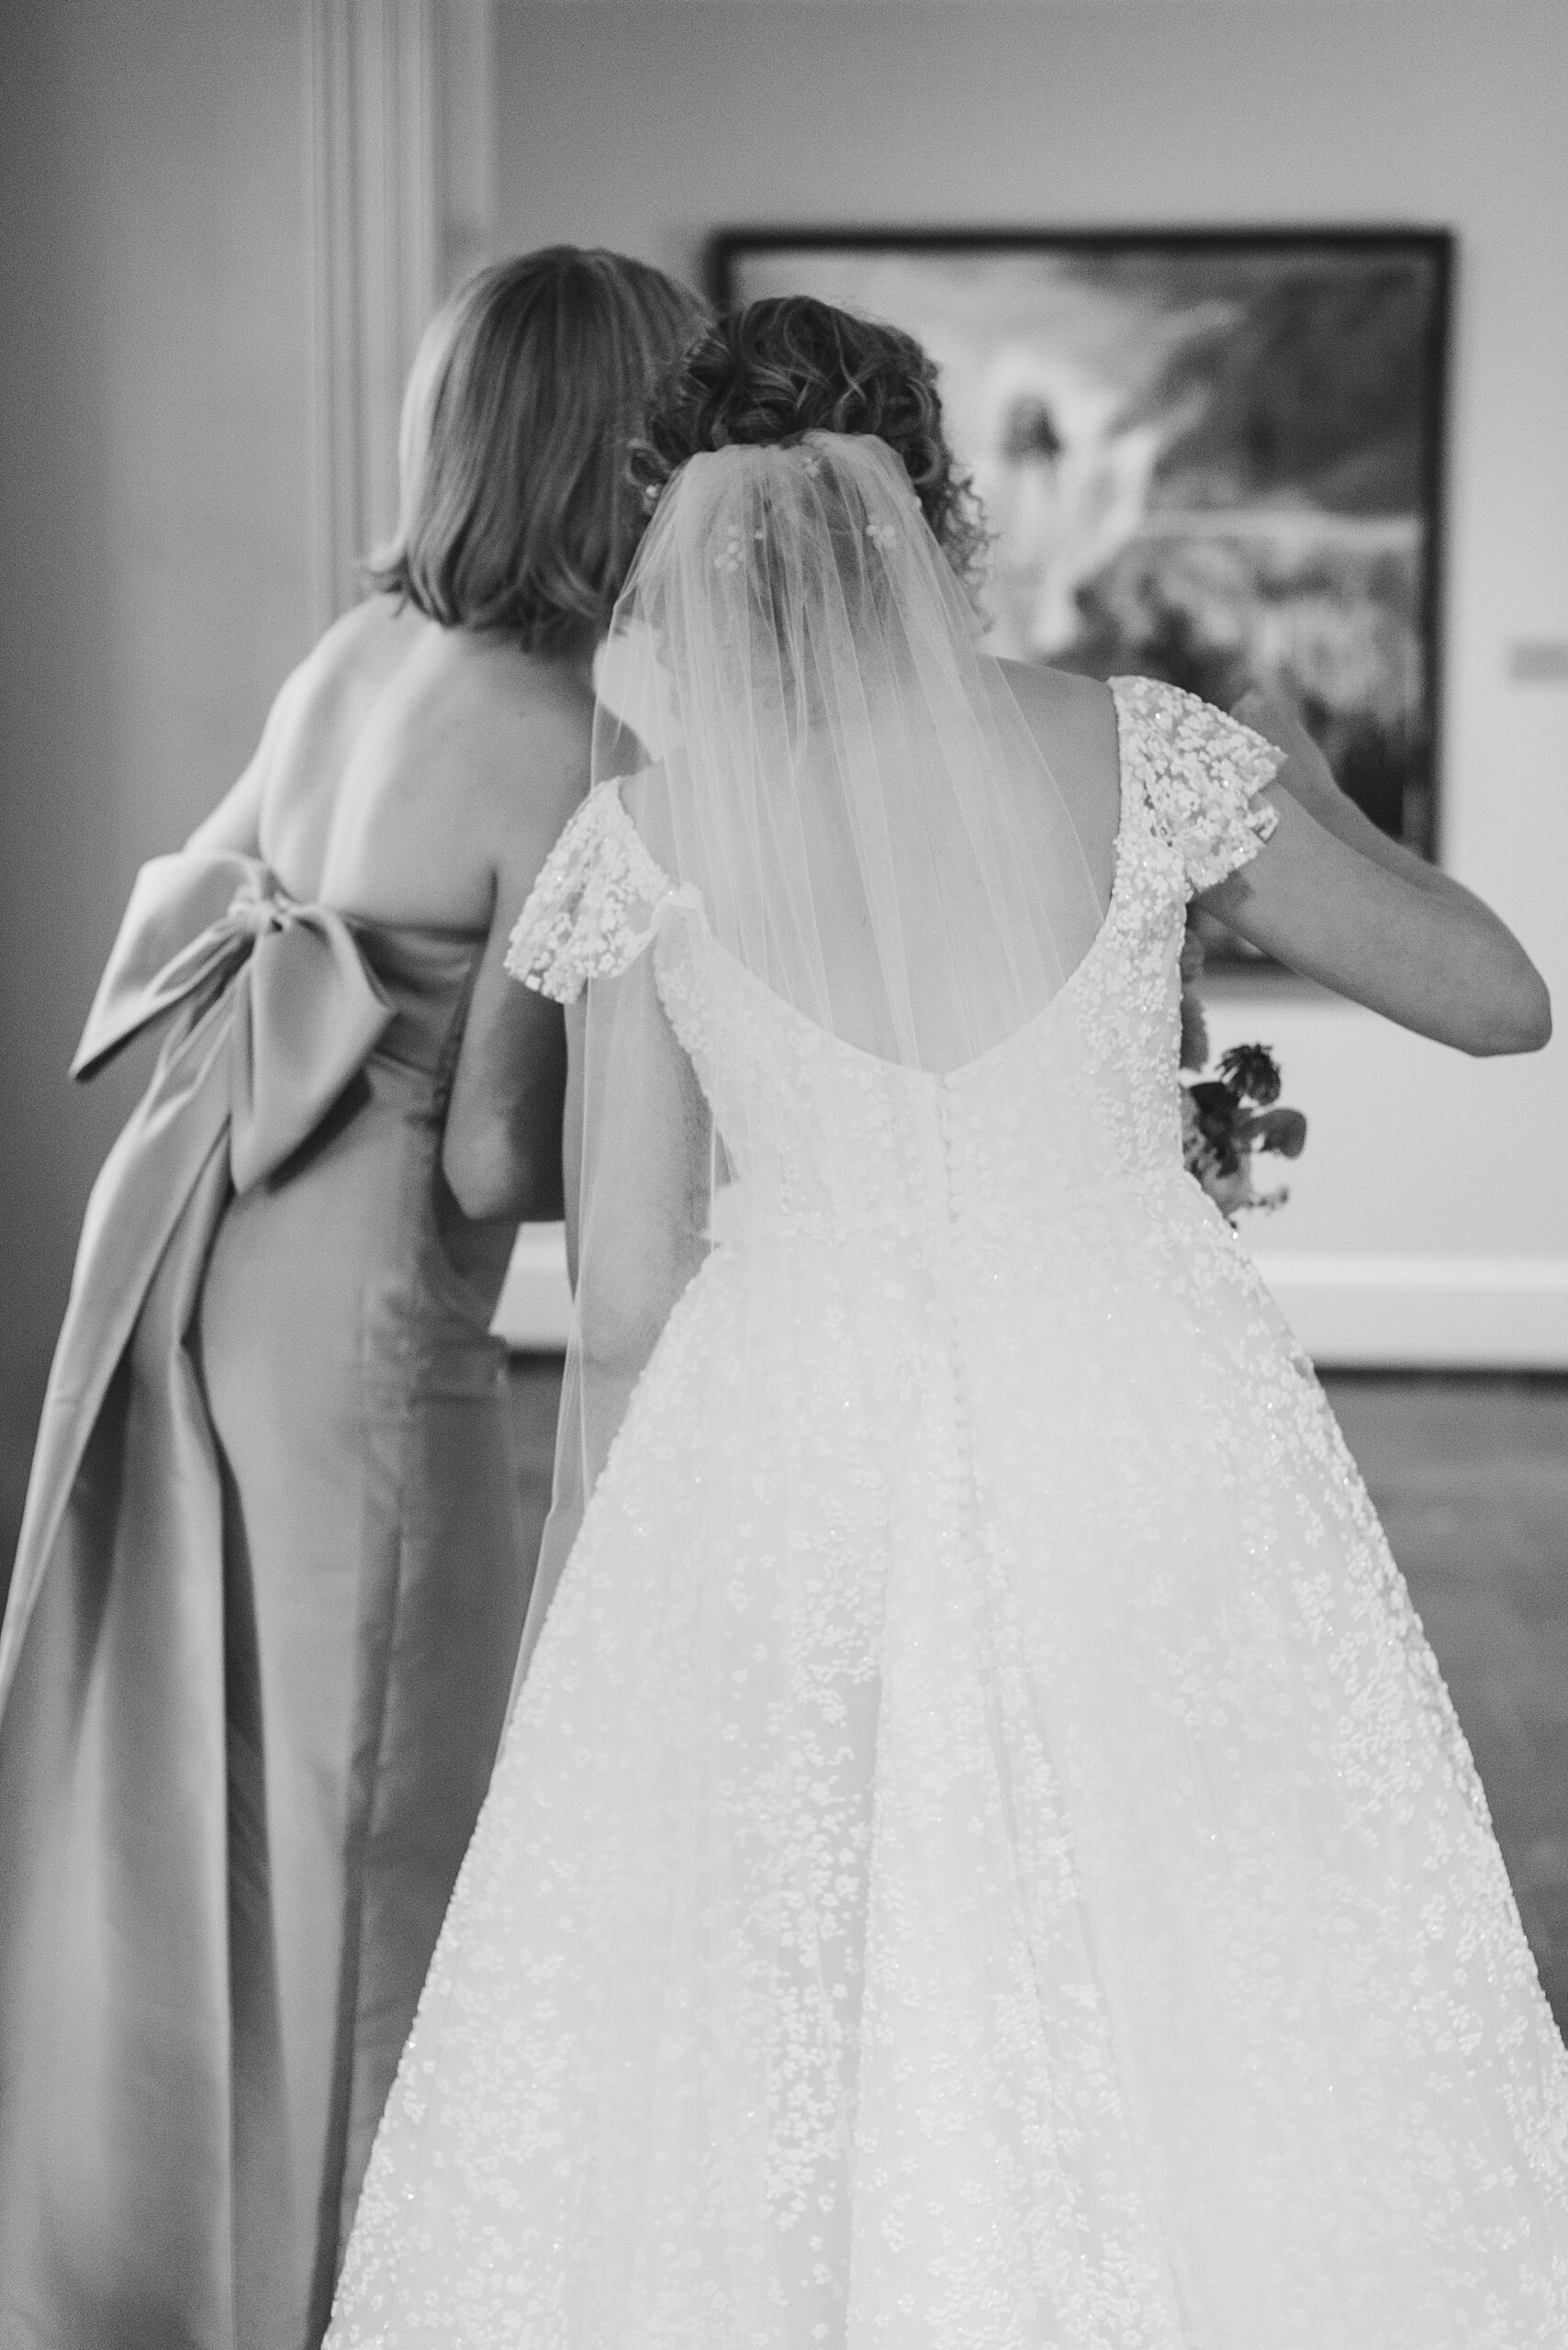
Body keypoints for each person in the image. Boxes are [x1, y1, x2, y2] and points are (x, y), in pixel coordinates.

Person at [327, 297, 1566, 2348]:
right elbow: (1495, 996)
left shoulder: (644, 835)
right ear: (944, 501)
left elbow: (623, 1284)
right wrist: (1322, 807)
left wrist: (596, 1610)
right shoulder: (1143, 743)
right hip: (1133, 1409)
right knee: (1190, 1905)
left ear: (687, 532)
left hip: (795, 1437)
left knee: (833, 1955)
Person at [0, 245, 706, 2350]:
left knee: (199, 1773)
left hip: (194, 1251)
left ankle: (140, 2250)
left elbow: (229, 915)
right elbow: (500, 1157)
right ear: (623, 453)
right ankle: (359, 2298)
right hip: (367, 1341)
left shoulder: (353, 653)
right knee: (385, 1812)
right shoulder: (571, 734)